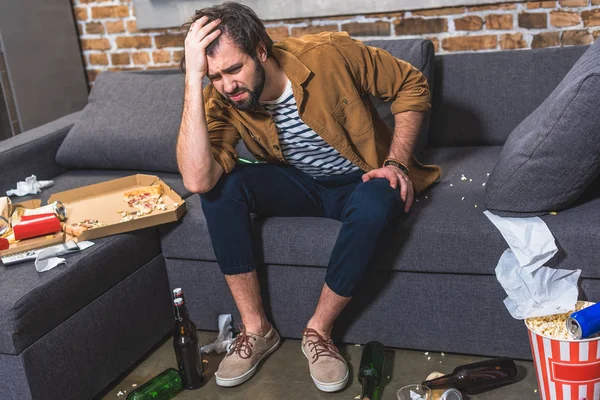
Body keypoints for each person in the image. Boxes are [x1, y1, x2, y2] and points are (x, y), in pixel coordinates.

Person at [176, 1, 440, 392]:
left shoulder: (329, 54)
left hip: (361, 179)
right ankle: (257, 330)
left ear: (261, 50)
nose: (227, 85)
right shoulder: (221, 99)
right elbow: (198, 179)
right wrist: (192, 80)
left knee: (380, 199)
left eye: (234, 69)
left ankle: (318, 332)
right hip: (301, 183)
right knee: (219, 191)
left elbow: (410, 84)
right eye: (214, 76)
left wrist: (397, 164)